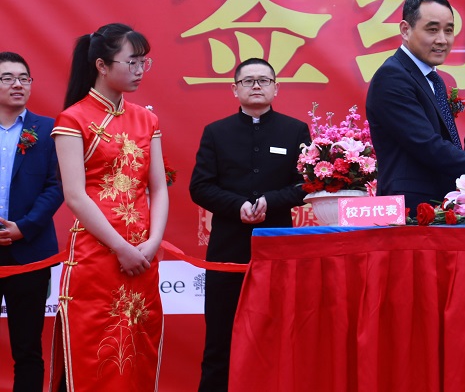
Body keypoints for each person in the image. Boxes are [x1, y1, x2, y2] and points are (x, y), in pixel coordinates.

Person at [50, 24, 167, 392]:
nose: (139, 70)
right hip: (97, 255)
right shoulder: (73, 119)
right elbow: (75, 196)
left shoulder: (147, 119)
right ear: (102, 65)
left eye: (144, 62)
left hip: (143, 255)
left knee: (138, 350)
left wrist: (152, 243)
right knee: (96, 353)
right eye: (132, 62)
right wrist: (121, 247)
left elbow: (158, 187)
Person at [189, 58, 310, 392]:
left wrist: (271, 201)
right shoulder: (216, 132)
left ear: (276, 87)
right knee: (220, 339)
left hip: (277, 247)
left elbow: (306, 184)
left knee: (278, 334)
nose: (256, 86)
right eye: (248, 81)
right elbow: (200, 186)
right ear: (235, 89)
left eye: (263, 80)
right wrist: (238, 205)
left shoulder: (295, 130)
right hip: (227, 249)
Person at [366, 0, 465, 210]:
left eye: (449, 30)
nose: (442, 40)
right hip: (410, 208)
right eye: (432, 29)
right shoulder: (393, 76)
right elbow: (428, 145)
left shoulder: (432, 78)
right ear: (405, 30)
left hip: (438, 204)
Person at [0, 52, 63, 392]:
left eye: (24, 78)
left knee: (28, 348)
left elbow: (57, 186)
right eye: (8, 78)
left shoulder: (48, 129)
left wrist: (24, 227)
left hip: (30, 251)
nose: (18, 84)